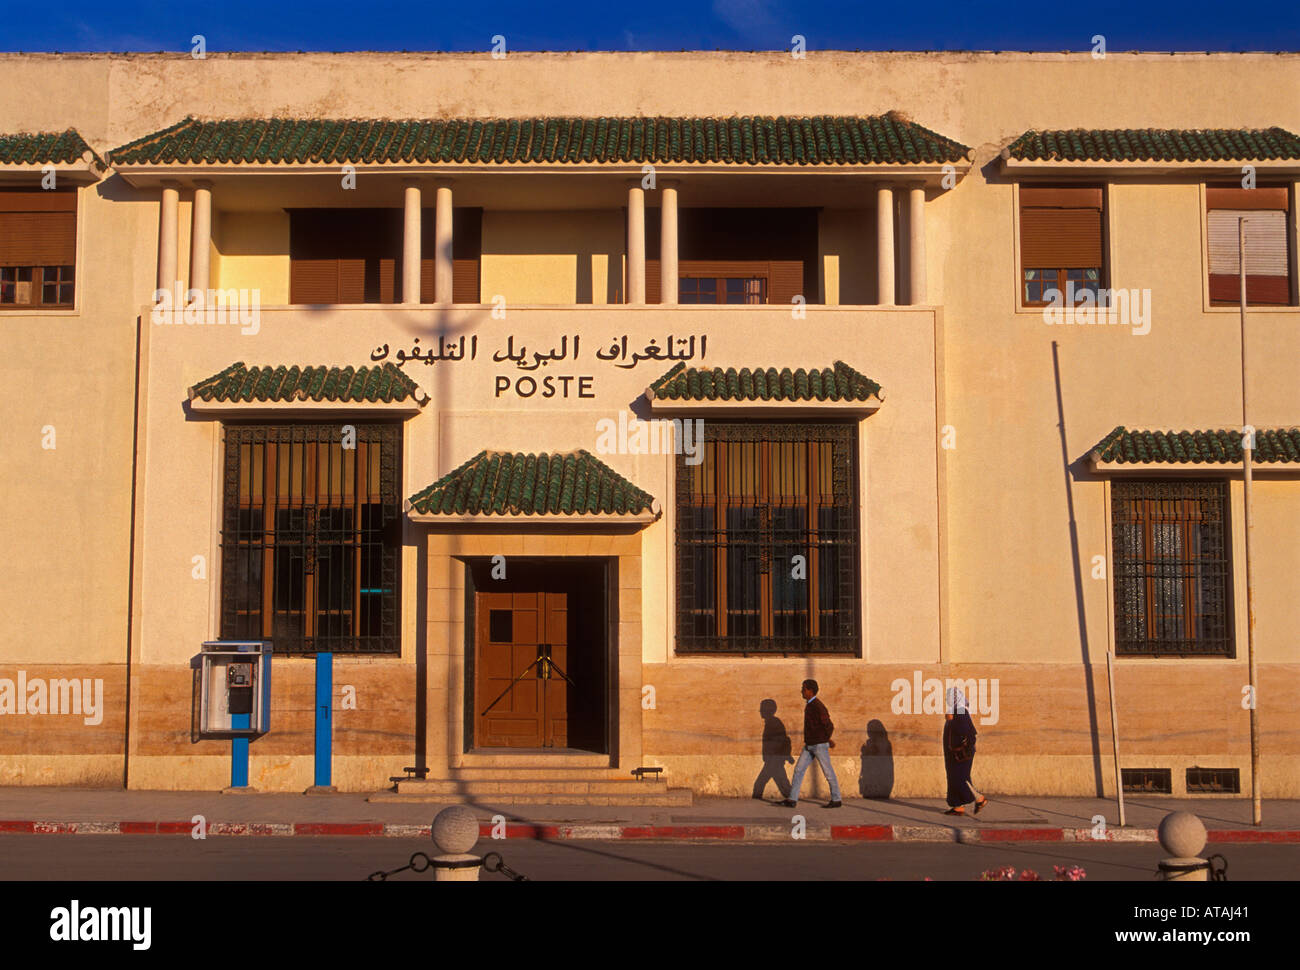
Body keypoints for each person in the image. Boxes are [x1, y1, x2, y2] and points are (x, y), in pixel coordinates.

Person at [778, 679, 841, 808]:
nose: (802, 691)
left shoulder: (817, 706)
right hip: (809, 745)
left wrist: (825, 739)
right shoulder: (810, 705)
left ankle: (836, 799)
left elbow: (828, 725)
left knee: (828, 772)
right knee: (799, 770)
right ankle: (792, 799)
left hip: (818, 745)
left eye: (804, 689)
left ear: (810, 691)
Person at [942, 687, 987, 816]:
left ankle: (979, 799)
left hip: (961, 753)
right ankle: (957, 806)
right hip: (954, 753)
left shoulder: (960, 709)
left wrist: (951, 720)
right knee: (954, 777)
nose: (947, 699)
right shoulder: (956, 710)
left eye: (949, 697)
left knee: (961, 778)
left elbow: (966, 731)